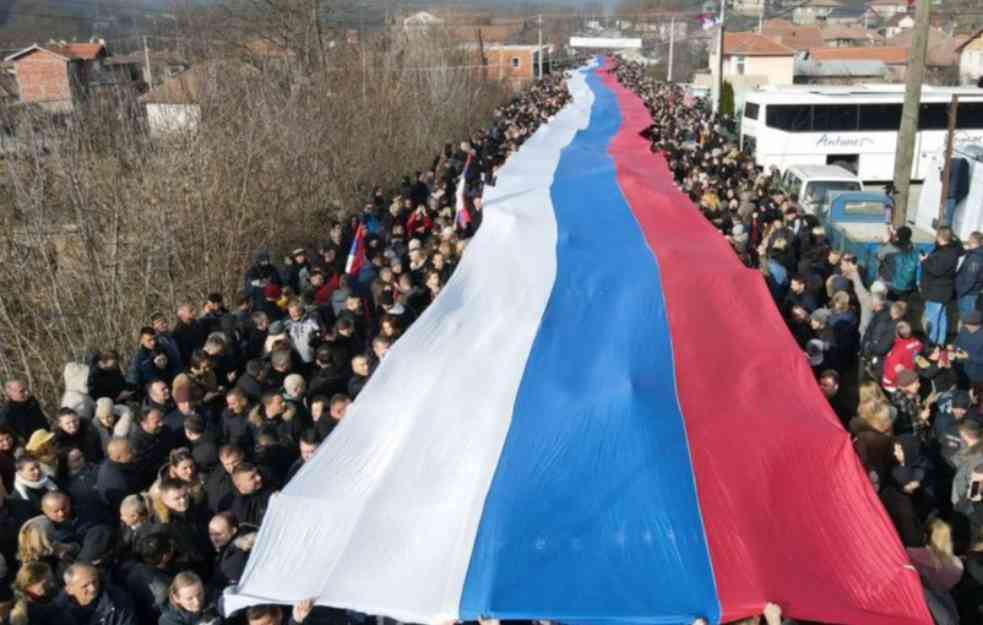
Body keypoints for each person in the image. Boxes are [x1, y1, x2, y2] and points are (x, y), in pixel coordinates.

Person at [52, 562, 137, 625]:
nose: (92, 588)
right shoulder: (57, 610)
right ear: (69, 589)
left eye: (95, 582)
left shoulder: (119, 601)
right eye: (85, 586)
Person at [921, 227, 961, 346]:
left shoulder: (944, 254)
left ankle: (933, 346)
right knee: (942, 318)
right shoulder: (954, 250)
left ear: (939, 237)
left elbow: (936, 271)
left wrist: (924, 261)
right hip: (946, 290)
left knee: (933, 320)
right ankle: (941, 343)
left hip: (936, 291)